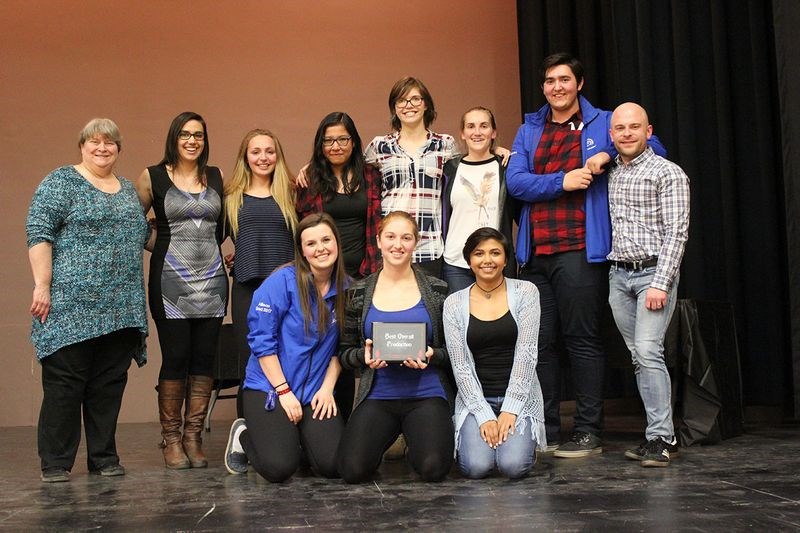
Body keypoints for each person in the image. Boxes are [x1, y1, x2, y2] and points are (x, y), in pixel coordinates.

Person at [506, 53, 667, 458]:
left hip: (580, 249)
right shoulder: (530, 128)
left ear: (579, 83)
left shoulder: (605, 121)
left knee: (581, 340)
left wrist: (609, 154)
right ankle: (543, 428)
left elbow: (656, 148)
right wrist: (564, 180)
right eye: (549, 81)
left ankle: (588, 431)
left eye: (564, 79)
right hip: (535, 252)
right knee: (539, 345)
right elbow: (517, 182)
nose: (556, 87)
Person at [27, 118, 149, 482]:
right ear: (81, 145)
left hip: (121, 307)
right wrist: (41, 284)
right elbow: (38, 232)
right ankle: (56, 463)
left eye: (110, 142)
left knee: (108, 386)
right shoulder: (60, 182)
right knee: (65, 386)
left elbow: (144, 236)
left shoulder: (128, 190)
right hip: (70, 305)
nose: (102, 148)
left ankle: (104, 458)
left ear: (118, 149)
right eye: (94, 141)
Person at [223, 213, 347, 482]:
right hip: (270, 387)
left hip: (315, 390)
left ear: (337, 243)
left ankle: (296, 436)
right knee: (280, 468)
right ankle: (244, 435)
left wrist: (327, 390)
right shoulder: (282, 282)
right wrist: (284, 391)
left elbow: (342, 349)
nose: (320, 248)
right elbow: (261, 344)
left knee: (334, 465)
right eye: (311, 243)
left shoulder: (347, 288)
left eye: (326, 240)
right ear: (301, 250)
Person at [135, 112, 228, 469]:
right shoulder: (152, 176)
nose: (192, 141)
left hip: (213, 281)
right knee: (176, 358)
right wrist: (161, 246)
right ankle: (171, 440)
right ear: (174, 138)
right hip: (170, 282)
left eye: (199, 135)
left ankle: (193, 437)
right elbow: (132, 224)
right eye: (185, 135)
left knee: (205, 359)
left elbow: (223, 226)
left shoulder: (217, 176)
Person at [337, 211, 454, 483]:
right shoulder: (358, 292)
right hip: (379, 395)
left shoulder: (438, 290)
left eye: (406, 237)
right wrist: (362, 357)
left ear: (416, 242)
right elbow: (343, 353)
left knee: (433, 468)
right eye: (390, 237)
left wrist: (431, 355)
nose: (397, 244)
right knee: (351, 470)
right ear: (378, 241)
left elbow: (455, 354)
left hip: (426, 394)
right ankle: (392, 436)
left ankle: (415, 437)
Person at [606, 103, 690, 467]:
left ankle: (663, 437)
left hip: (653, 276)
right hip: (617, 276)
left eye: (634, 127)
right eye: (620, 128)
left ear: (649, 131)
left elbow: (677, 234)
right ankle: (655, 434)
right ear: (611, 135)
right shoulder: (610, 172)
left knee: (648, 350)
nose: (627, 133)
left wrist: (660, 282)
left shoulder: (668, 173)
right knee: (640, 357)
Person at [296, 112, 382, 420]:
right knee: (331, 346)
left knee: (363, 346)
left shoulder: (371, 175)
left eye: (343, 139)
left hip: (364, 275)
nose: (336, 146)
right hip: (324, 280)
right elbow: (302, 229)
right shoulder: (309, 180)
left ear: (354, 142)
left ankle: (370, 420)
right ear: (320, 145)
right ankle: (334, 417)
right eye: (329, 140)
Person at [443, 228, 546, 479]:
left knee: (512, 466)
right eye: (479, 253)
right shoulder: (454, 303)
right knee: (476, 468)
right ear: (469, 260)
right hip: (476, 399)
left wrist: (510, 409)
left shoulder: (526, 292)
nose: (487, 260)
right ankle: (488, 436)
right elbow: (460, 366)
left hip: (520, 399)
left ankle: (521, 443)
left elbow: (527, 353)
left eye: (495, 253)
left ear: (505, 259)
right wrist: (484, 415)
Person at [223, 129, 297, 414]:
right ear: (245, 156)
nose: (263, 157)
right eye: (256, 151)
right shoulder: (231, 196)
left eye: (269, 151)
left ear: (277, 156)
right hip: (247, 288)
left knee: (288, 357)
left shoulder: (291, 193)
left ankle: (287, 426)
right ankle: (248, 430)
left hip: (287, 290)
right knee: (251, 358)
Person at [364, 77, 461, 278]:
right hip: (391, 247)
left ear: (426, 105)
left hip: (430, 247)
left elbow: (471, 165)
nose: (409, 105)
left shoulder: (445, 145)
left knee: (430, 308)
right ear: (394, 108)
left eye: (415, 99)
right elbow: (350, 172)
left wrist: (497, 151)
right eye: (402, 100)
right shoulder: (379, 146)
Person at [442, 107, 517, 293]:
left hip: (495, 262)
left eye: (484, 126)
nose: (477, 132)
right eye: (470, 126)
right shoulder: (450, 168)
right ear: (462, 133)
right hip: (456, 263)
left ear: (493, 132)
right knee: (461, 320)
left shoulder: (506, 166)